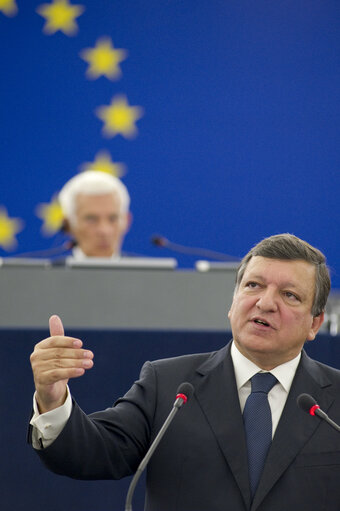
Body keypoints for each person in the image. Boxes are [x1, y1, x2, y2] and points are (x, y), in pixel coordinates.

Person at [29, 233, 340, 511]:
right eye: (253, 285)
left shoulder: (334, 400)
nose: (266, 302)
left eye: (289, 295)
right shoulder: (168, 384)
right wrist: (52, 399)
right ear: (233, 302)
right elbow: (92, 453)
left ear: (314, 323)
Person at [58, 170, 132, 259]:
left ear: (127, 221)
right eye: (91, 219)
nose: (104, 231)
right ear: (68, 225)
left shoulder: (147, 272)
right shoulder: (46, 272)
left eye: (113, 219)